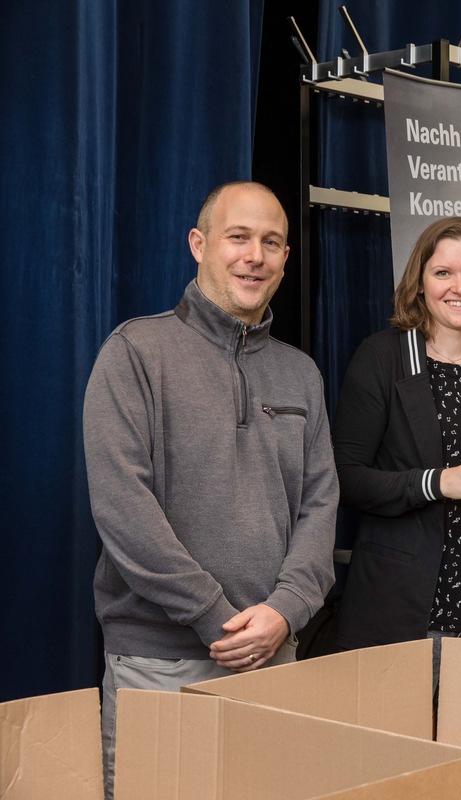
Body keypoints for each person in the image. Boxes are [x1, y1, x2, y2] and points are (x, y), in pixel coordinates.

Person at [84, 181, 338, 799]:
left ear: (285, 260)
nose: (255, 255)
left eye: (272, 242)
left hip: (276, 657)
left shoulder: (300, 373)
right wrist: (216, 620)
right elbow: (124, 510)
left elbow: (320, 505)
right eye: (239, 237)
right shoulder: (135, 354)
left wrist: (285, 612)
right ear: (199, 245)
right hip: (160, 664)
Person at [331, 217, 461, 662]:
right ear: (420, 283)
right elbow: (345, 479)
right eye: (443, 272)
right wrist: (439, 482)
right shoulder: (382, 358)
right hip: (404, 616)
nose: (460, 287)